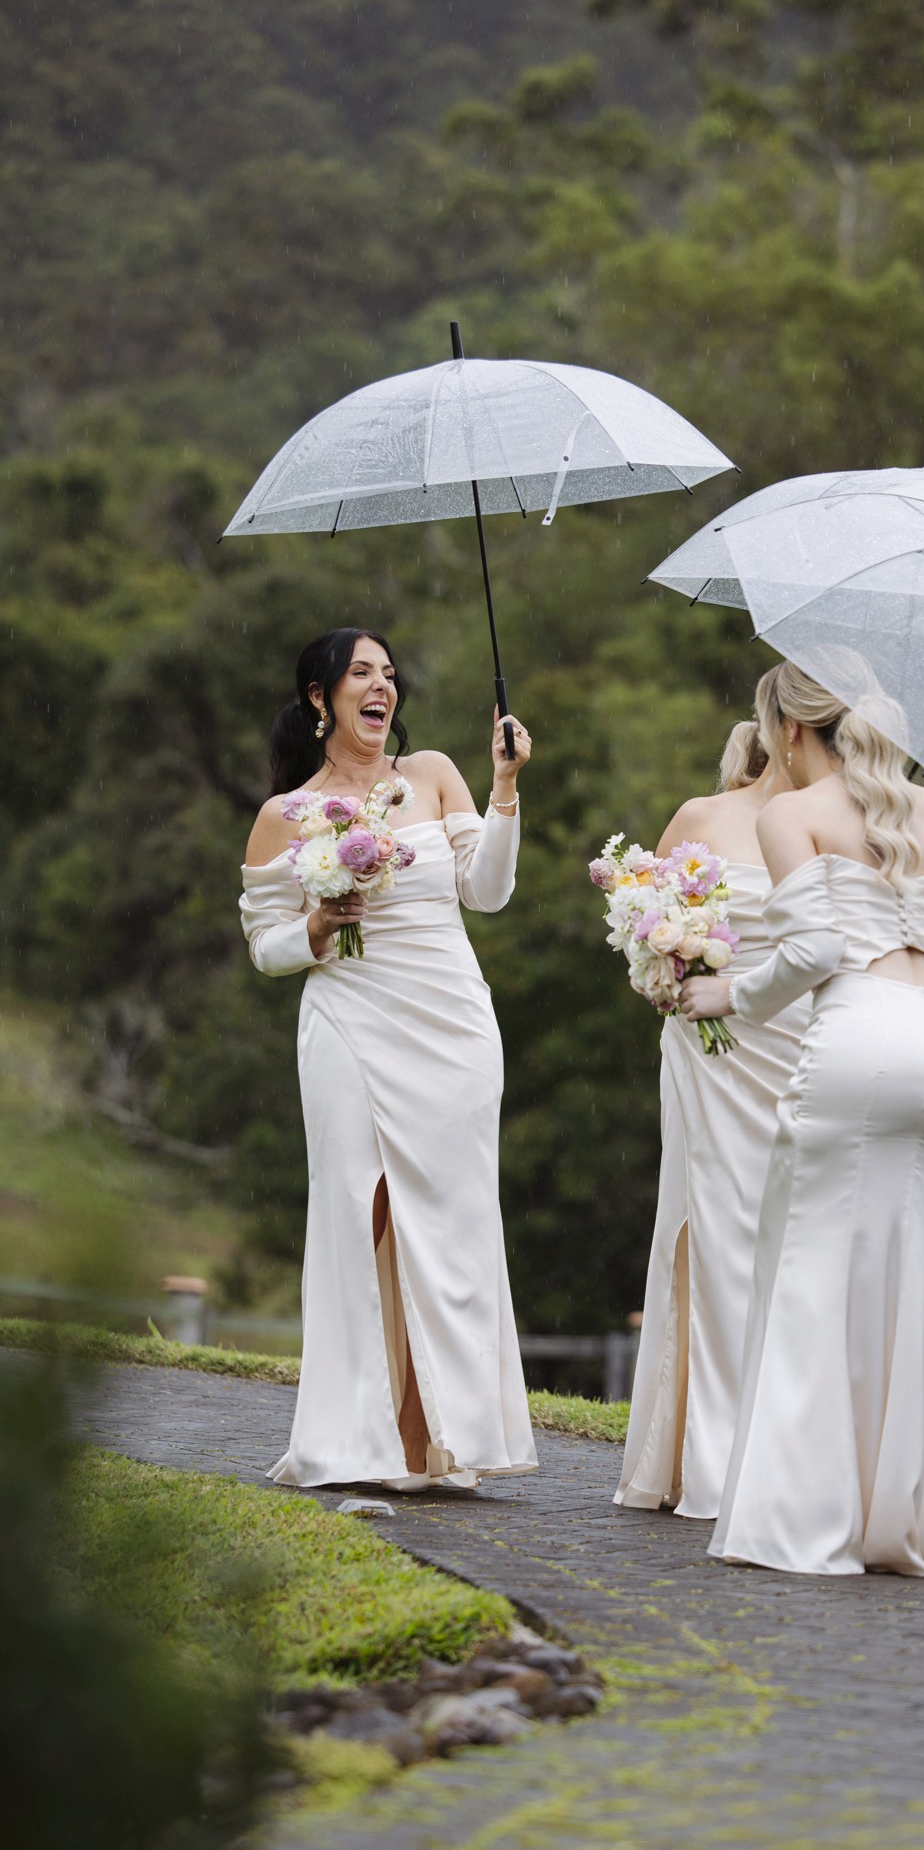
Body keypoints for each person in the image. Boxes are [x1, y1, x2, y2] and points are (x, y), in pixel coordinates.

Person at [680, 661, 924, 1577]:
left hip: (864, 1046)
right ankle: (905, 1522)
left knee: (810, 1276)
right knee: (902, 1281)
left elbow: (816, 950)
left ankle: (801, 1522)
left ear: (786, 732)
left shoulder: (790, 813)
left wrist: (726, 997)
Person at [239, 626, 537, 1490]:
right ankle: (360, 1438)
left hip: (451, 1022)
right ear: (319, 697)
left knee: (454, 1221)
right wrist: (318, 930)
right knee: (355, 1211)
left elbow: (488, 891)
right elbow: (265, 944)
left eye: (389, 675)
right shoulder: (284, 815)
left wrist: (506, 787)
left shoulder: (436, 775)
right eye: (361, 674)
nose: (382, 687)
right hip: (348, 1020)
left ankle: (443, 1441)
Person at [616, 678, 807, 1519]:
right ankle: (707, 1451)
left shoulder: (839, 828)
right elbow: (637, 920)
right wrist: (669, 966)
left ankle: (787, 1447)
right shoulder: (703, 817)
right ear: (782, 726)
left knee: (794, 1239)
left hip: (798, 1049)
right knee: (712, 1230)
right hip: (705, 1052)